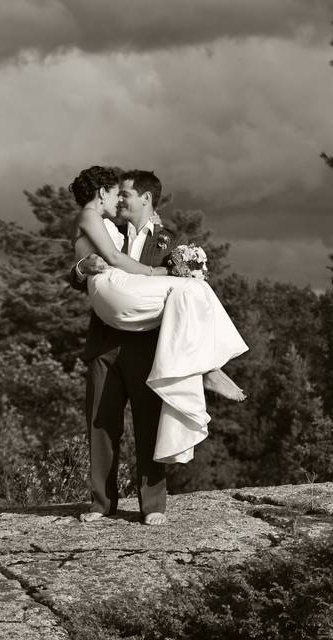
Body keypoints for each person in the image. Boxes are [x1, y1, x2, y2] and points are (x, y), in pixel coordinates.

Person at [69, 166, 247, 524]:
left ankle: (152, 506)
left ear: (146, 199)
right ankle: (101, 504)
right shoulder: (108, 228)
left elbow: (181, 289)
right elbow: (77, 273)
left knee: (151, 423)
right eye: (116, 193)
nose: (119, 199)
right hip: (105, 343)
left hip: (150, 346)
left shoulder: (172, 241)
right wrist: (81, 268)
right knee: (100, 424)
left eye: (126, 194)